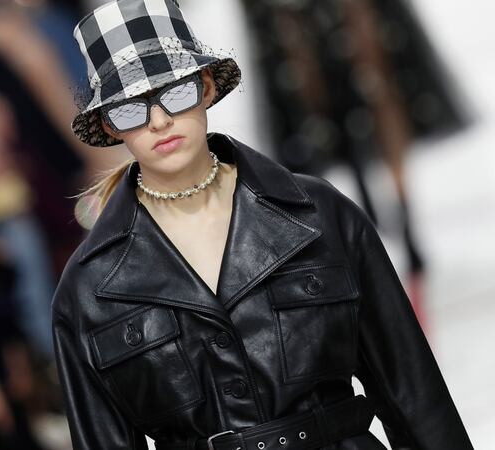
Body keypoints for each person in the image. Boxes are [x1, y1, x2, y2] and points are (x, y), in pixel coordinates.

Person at [50, 0, 473, 449]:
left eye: (175, 92)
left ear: (207, 86)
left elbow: (411, 392)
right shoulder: (88, 288)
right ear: (109, 126)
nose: (159, 120)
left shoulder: (318, 213)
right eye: (130, 109)